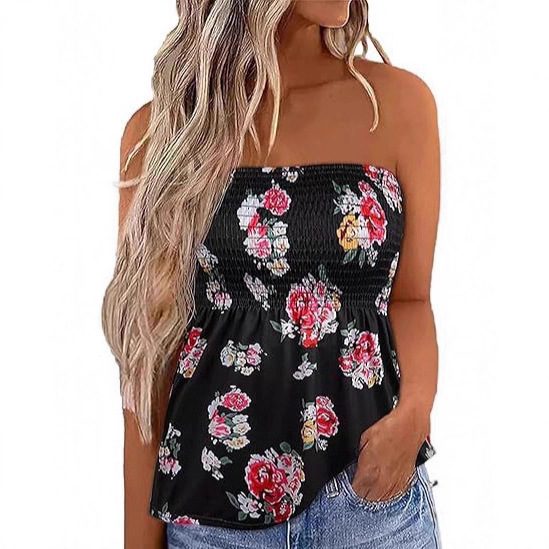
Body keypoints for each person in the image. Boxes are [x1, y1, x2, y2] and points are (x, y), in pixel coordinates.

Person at [102, 1, 442, 547]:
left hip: (372, 508)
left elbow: (410, 299)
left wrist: (415, 414)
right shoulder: (166, 132)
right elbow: (146, 365)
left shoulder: (398, 106)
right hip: (213, 520)